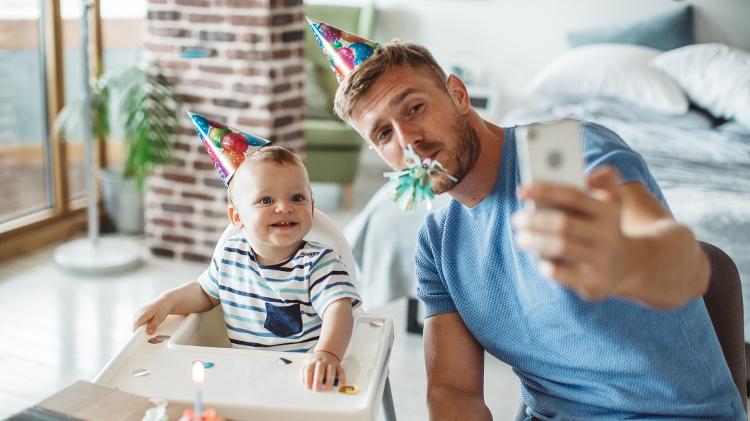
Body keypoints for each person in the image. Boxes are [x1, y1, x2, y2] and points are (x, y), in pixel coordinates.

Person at [333, 41, 744, 419]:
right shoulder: (438, 240)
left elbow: (677, 261)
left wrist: (627, 262)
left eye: (414, 108)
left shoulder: (559, 154)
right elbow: (454, 390)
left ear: (457, 94)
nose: (408, 140)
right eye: (384, 133)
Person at [133, 145, 361, 391]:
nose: (285, 207)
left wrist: (327, 354)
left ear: (312, 208)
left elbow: (338, 309)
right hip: (244, 376)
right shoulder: (231, 254)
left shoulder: (320, 261)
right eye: (266, 200)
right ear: (237, 217)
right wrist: (168, 302)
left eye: (297, 198)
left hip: (304, 377)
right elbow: (203, 293)